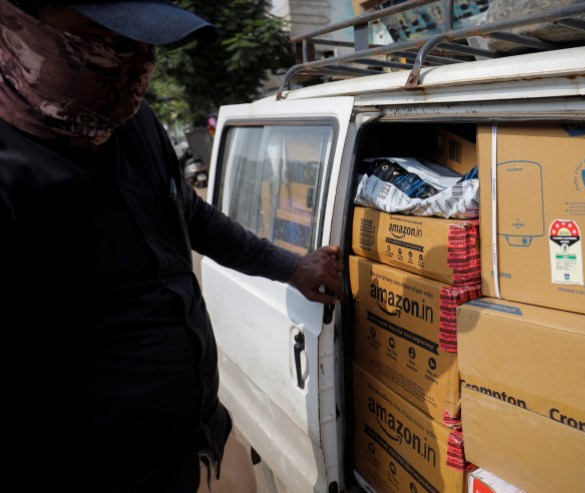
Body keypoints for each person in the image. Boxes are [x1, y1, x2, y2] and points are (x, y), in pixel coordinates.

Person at [0, 1, 344, 491]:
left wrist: (290, 268)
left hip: (206, 439)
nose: (137, 63)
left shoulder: (129, 119)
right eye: (111, 41)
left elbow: (186, 211)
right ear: (22, 24)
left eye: (148, 44)